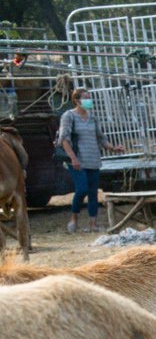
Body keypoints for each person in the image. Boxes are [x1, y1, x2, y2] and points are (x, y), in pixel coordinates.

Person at [57, 87, 102, 235]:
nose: (89, 100)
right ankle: (74, 218)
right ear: (77, 100)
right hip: (76, 160)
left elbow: (100, 137)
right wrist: (73, 158)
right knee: (81, 189)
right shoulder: (68, 116)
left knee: (93, 192)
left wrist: (114, 147)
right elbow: (63, 139)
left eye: (89, 97)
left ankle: (93, 224)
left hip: (93, 158)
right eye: (85, 98)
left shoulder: (93, 117)